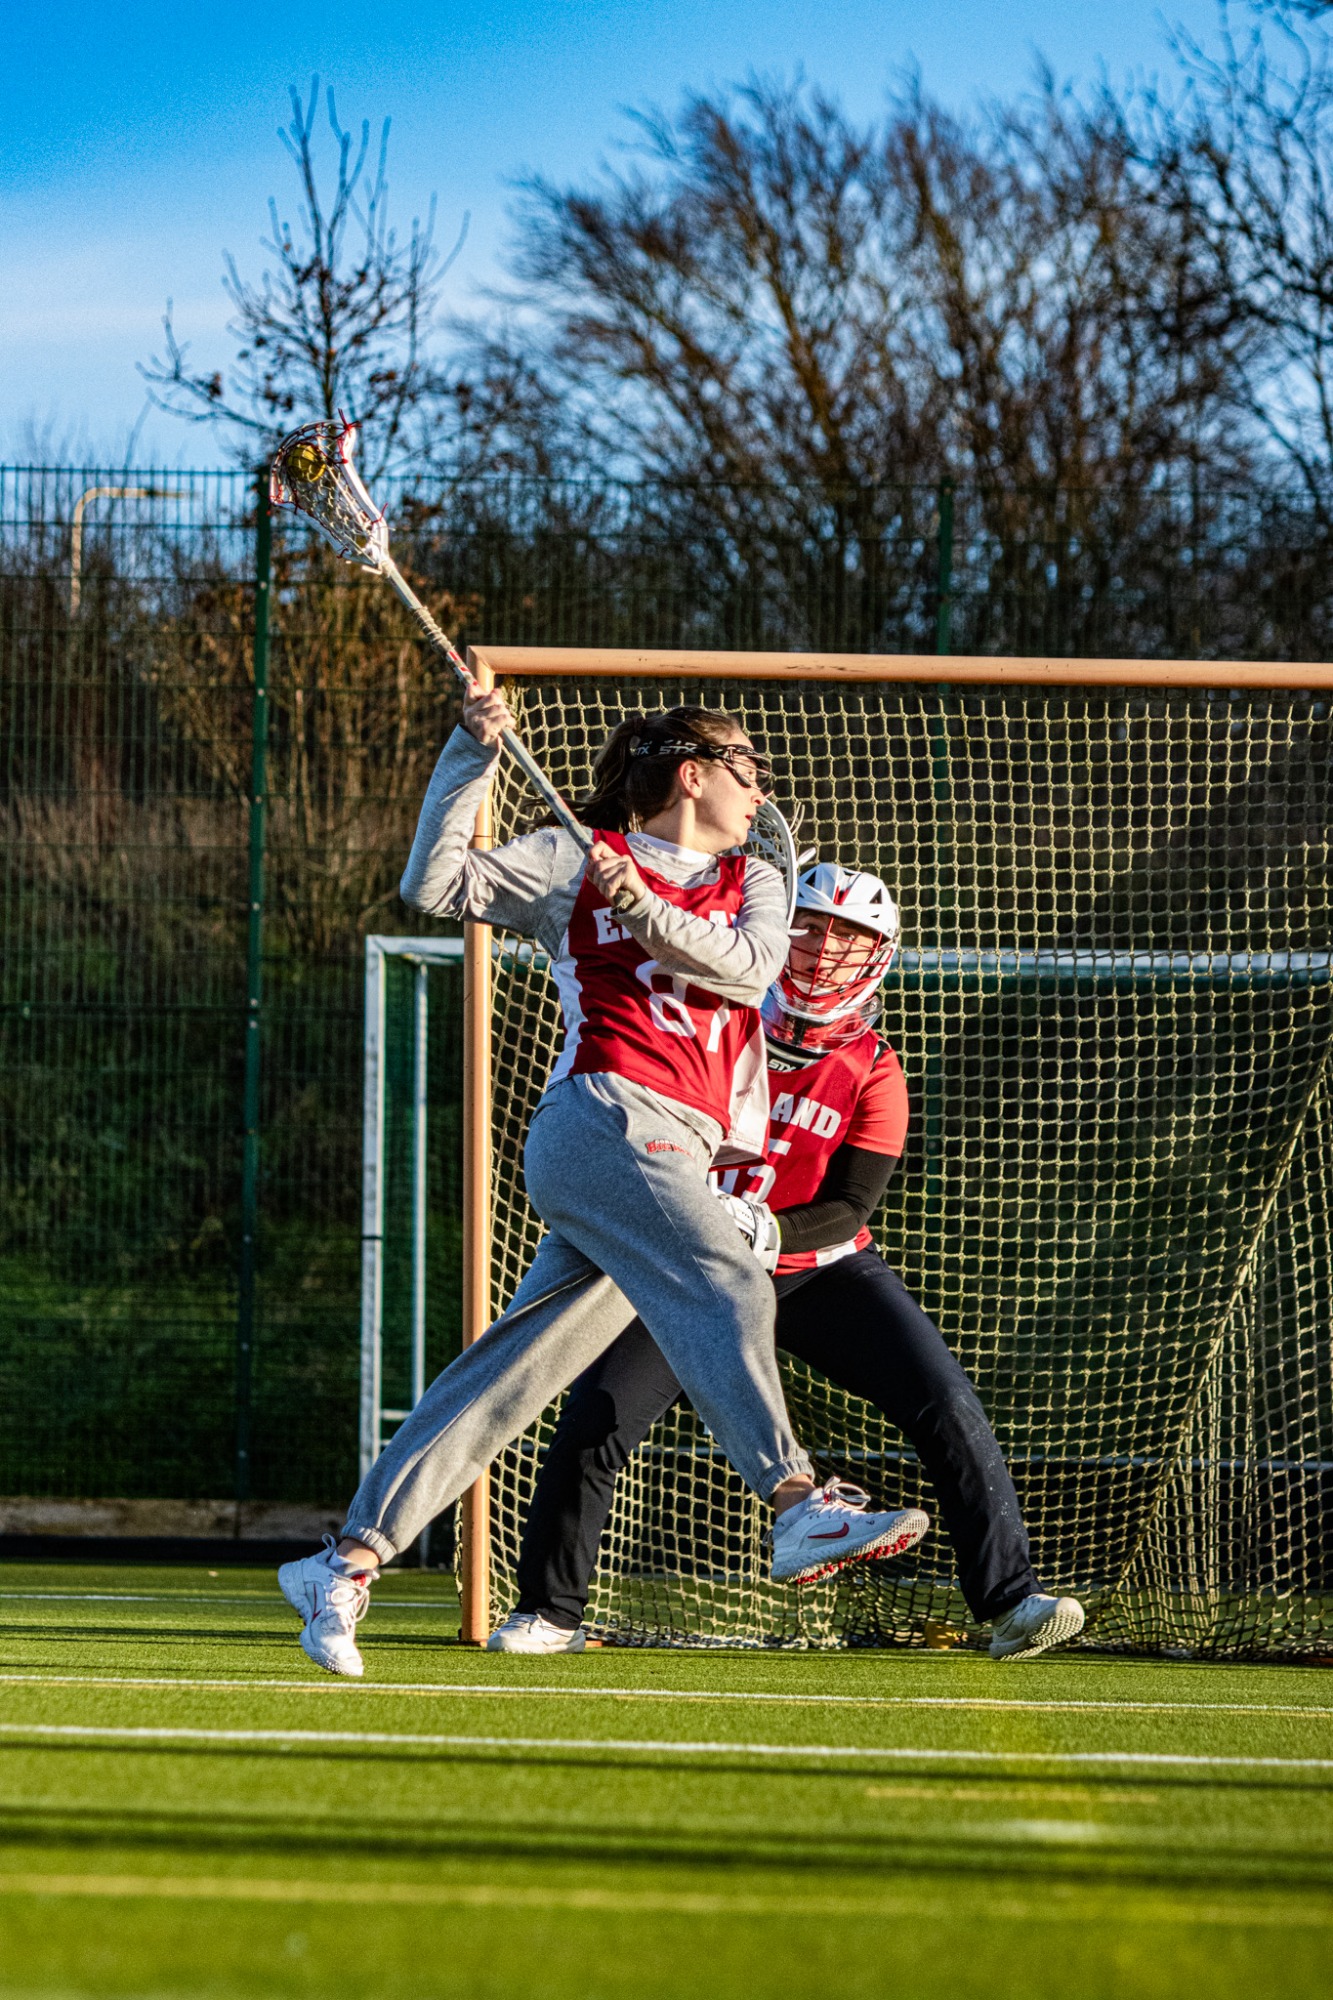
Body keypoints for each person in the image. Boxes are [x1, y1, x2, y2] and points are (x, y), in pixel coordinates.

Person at [279, 701, 928, 1675]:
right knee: (728, 1277)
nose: (762, 788)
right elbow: (435, 881)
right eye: (747, 768)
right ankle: (797, 1504)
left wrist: (645, 907)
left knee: (515, 1372)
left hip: (676, 1141)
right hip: (607, 1121)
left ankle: (348, 1557)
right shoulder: (569, 859)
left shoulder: (752, 881)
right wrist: (468, 753)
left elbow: (748, 969)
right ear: (693, 773)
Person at [488, 862, 1086, 1663]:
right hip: (686, 1268)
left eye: (850, 935)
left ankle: (1010, 1601)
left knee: (943, 1401)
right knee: (599, 1416)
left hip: (816, 1267)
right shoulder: (705, 1020)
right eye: (808, 924)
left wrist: (757, 1225)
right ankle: (551, 1612)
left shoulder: (874, 1066)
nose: (822, 947)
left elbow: (849, 1205)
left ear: (878, 955)